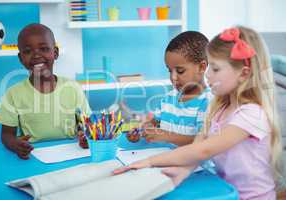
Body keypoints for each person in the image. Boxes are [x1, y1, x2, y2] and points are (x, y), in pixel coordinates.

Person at [114, 26, 285, 199]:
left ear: (243, 74)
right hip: (220, 190)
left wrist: (149, 161)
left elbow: (203, 151)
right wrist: (184, 171)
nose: (208, 75)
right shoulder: (218, 108)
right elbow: (198, 146)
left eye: (215, 69)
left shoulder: (251, 115)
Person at [0, 23, 91, 159]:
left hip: (71, 152)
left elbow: (86, 125)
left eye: (43, 48)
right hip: (34, 154)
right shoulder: (13, 94)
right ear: (20, 58)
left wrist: (85, 136)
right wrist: (15, 145)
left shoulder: (73, 88)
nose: (36, 55)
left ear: (55, 53)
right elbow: (7, 135)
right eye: (28, 51)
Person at [140, 31, 212, 146]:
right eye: (169, 70)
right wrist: (146, 128)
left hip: (193, 164)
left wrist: (166, 136)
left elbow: (203, 141)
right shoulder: (168, 98)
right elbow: (155, 123)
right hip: (163, 159)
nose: (173, 77)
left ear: (201, 67)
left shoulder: (208, 102)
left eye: (180, 71)